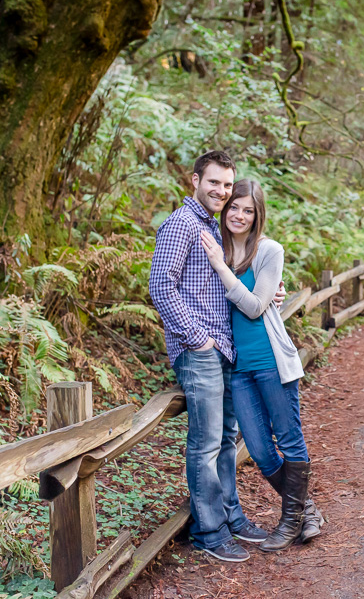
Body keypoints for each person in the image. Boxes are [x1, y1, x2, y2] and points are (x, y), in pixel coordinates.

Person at [149, 151, 273, 563]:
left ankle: (231, 516)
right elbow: (161, 287)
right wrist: (197, 338)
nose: (220, 191)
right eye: (214, 183)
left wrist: (273, 289)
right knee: (204, 444)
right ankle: (209, 532)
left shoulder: (213, 227)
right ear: (195, 181)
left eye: (226, 184)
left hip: (226, 348)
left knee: (225, 439)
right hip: (199, 350)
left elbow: (227, 278)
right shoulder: (180, 224)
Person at [199, 178, 324, 552]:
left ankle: (288, 523)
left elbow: (256, 307)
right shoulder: (215, 246)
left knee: (288, 438)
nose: (239, 214)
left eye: (248, 210)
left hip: (272, 361)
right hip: (239, 368)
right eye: (234, 206)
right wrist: (225, 268)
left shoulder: (269, 250)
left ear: (257, 216)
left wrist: (224, 270)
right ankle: (308, 510)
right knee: (259, 448)